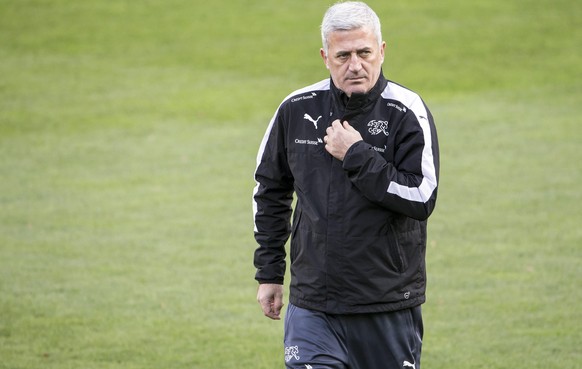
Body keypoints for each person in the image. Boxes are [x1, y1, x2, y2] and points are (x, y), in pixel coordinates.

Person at [252, 2, 439, 368]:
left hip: (385, 304)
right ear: (325, 56)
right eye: (343, 55)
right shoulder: (296, 109)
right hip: (313, 303)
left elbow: (421, 196)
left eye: (364, 52)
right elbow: (269, 191)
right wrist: (270, 273)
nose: (355, 65)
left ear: (381, 50)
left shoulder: (406, 111)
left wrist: (356, 154)